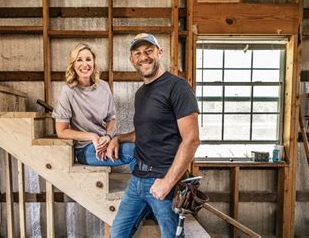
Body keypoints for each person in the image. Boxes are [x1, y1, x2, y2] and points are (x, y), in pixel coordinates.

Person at [108, 33, 200, 237]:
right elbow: (144, 133)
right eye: (137, 53)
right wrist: (118, 138)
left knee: (171, 236)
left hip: (163, 179)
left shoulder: (177, 87)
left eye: (149, 51)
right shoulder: (141, 93)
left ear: (159, 52)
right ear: (132, 60)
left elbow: (192, 139)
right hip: (137, 180)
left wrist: (167, 183)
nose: (144, 57)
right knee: (118, 232)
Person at [52, 43, 136, 169]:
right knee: (136, 152)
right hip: (85, 148)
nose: (85, 64)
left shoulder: (104, 86)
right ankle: (141, 188)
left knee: (144, 147)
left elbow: (111, 118)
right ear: (73, 65)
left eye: (88, 59)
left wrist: (107, 136)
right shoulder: (68, 91)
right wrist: (92, 137)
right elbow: (61, 131)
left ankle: (144, 187)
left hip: (105, 140)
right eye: (79, 60)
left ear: (94, 63)